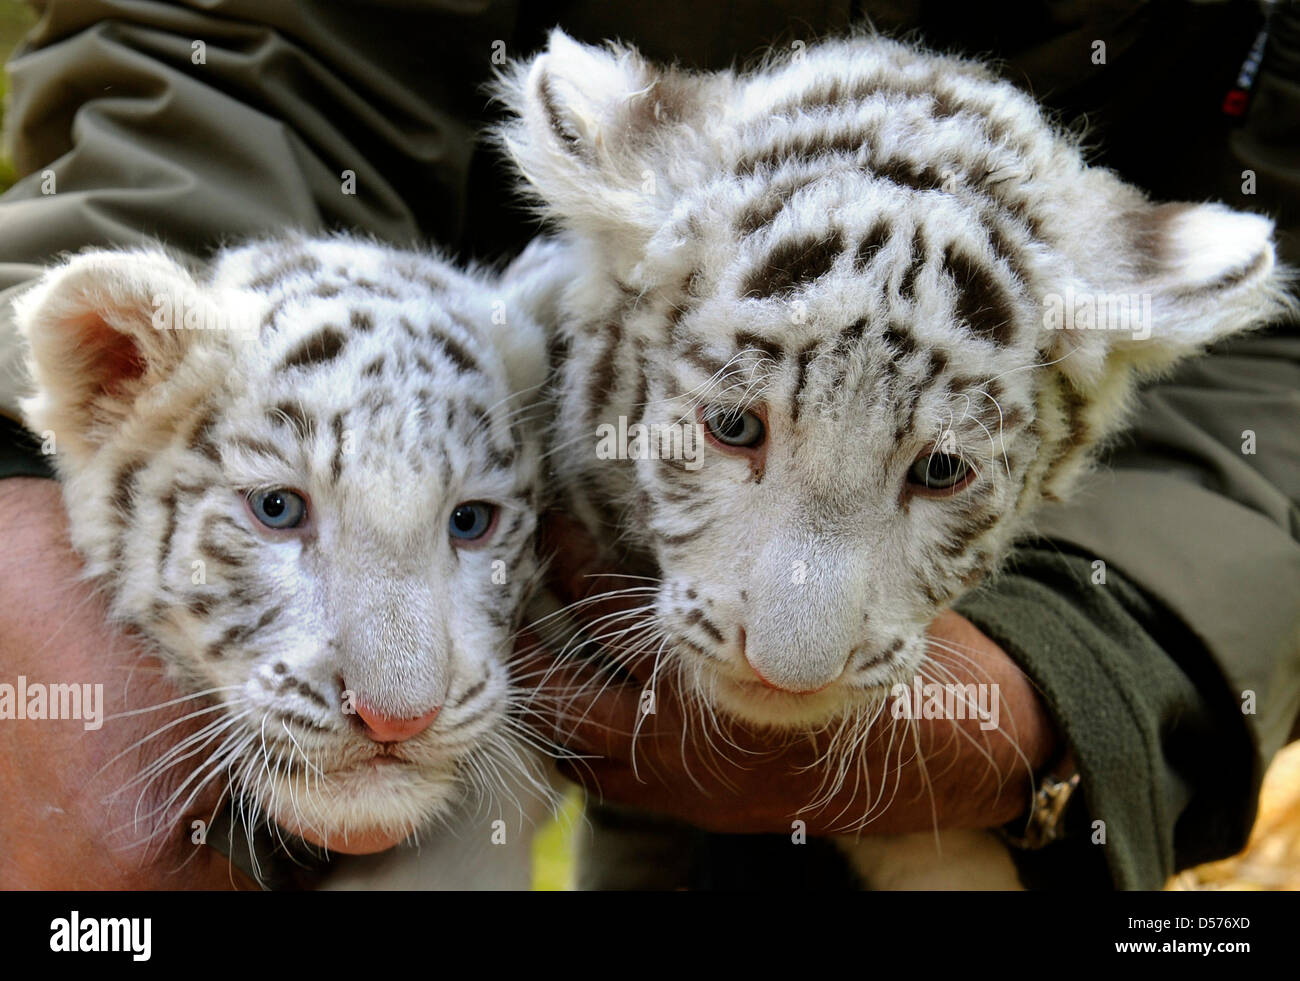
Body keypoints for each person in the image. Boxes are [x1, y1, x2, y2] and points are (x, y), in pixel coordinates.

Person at [0, 0, 1295, 890]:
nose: (790, 650)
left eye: (941, 466)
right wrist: (58, 454)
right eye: (733, 423)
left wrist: (1068, 668)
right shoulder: (543, 352)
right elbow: (248, 42)